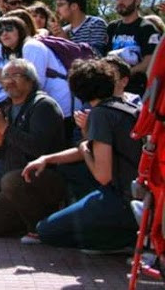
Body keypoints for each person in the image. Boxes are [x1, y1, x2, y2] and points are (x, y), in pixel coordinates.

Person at [25, 59, 141, 251]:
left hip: (123, 198)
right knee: (70, 170)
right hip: (138, 193)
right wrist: (47, 158)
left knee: (47, 231)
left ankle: (123, 240)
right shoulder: (127, 108)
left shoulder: (101, 114)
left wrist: (85, 147)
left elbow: (102, 175)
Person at [0, 59, 67, 240]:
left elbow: (39, 148)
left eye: (16, 76)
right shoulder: (8, 109)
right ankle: (45, 221)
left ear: (31, 80)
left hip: (46, 178)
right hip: (18, 185)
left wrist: (5, 128)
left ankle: (40, 229)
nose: (9, 81)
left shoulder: (43, 105)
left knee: (11, 180)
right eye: (5, 77)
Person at [106, 0, 160, 96]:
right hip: (111, 90)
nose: (120, 2)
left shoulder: (147, 28)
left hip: (136, 92)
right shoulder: (112, 27)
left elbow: (149, 61)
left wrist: (125, 73)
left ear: (137, 1)